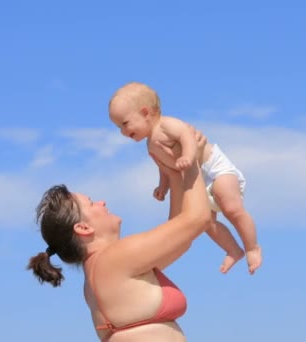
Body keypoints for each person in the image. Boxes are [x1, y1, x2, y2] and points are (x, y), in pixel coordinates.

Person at [27, 149, 212, 342]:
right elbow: (198, 218)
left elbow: (179, 241)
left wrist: (174, 175)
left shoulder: (102, 268)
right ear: (83, 227)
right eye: (92, 204)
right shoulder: (114, 258)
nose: (102, 202)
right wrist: (190, 156)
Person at [108, 81, 262, 274]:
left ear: (145, 113)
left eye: (124, 123)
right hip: (197, 181)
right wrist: (162, 186)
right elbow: (164, 168)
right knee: (206, 222)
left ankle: (252, 247)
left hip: (214, 169)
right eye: (118, 127)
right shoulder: (150, 145)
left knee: (232, 208)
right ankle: (233, 249)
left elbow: (187, 136)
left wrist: (188, 155)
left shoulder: (166, 125)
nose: (123, 132)